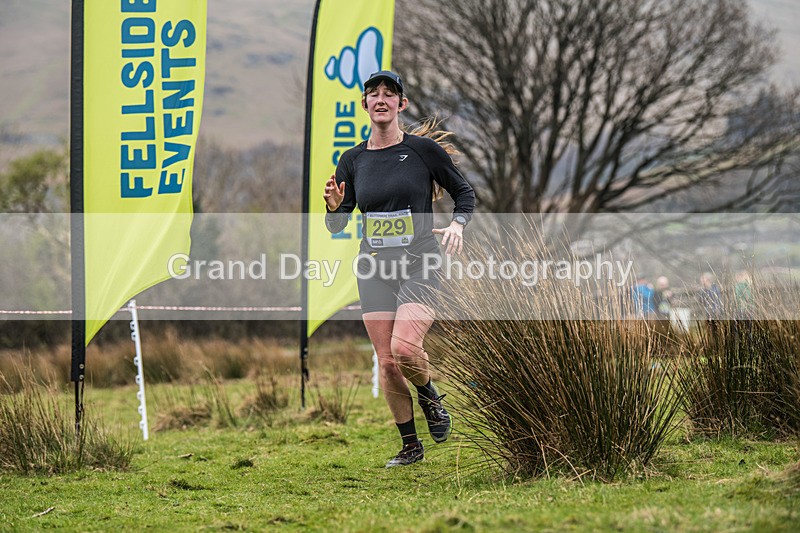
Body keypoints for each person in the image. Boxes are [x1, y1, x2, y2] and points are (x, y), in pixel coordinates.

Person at [323, 70, 475, 467]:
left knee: (405, 348)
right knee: (387, 362)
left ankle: (430, 399)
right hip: (374, 266)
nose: (381, 99)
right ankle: (410, 445)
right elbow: (337, 224)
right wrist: (334, 206)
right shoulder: (352, 160)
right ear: (365, 105)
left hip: (421, 261)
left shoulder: (423, 151)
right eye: (373, 94)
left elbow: (464, 192)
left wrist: (458, 224)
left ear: (401, 105)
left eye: (389, 94)